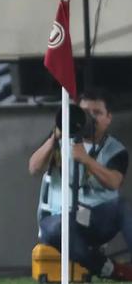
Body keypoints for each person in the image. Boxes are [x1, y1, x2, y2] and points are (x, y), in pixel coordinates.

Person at [29, 89, 132, 280]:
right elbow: (34, 168)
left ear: (109, 118)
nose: (91, 119)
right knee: (61, 228)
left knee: (123, 207)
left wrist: (86, 160)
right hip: (57, 218)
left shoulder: (115, 150)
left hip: (94, 219)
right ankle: (109, 269)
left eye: (97, 113)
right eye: (86, 112)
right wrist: (55, 138)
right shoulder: (59, 139)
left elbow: (114, 183)